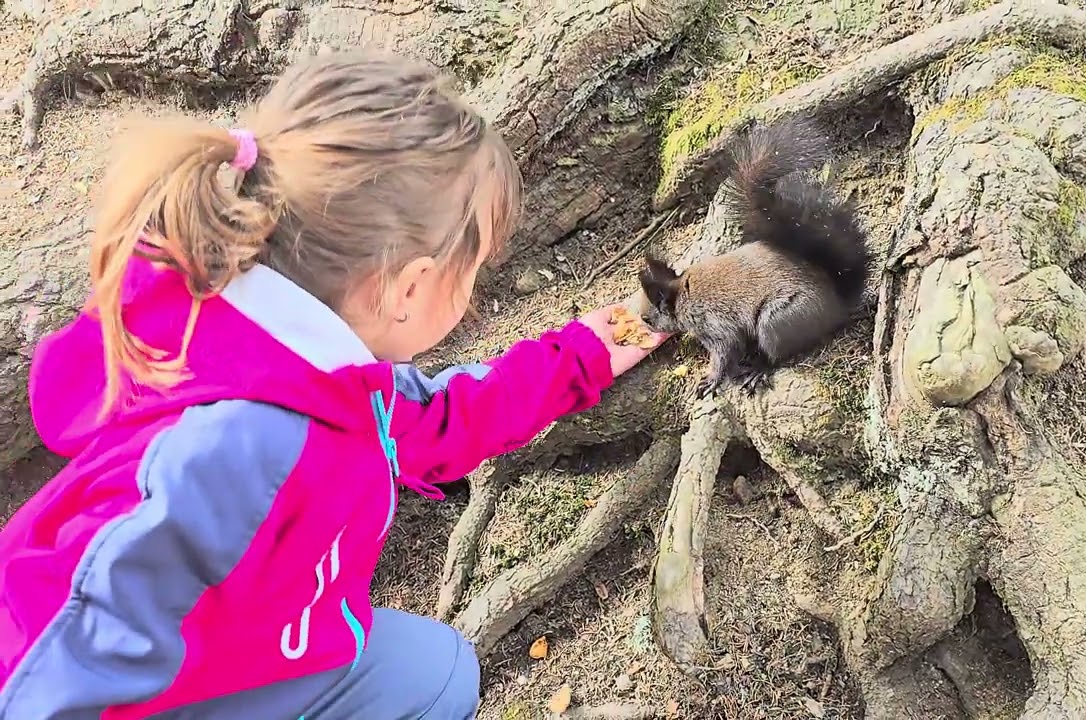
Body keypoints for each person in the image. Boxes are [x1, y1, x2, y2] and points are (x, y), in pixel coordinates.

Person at [0, 52, 666, 720]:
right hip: (126, 694)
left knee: (438, 673)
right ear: (410, 287)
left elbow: (436, 418)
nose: (476, 288)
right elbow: (68, 650)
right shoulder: (240, 446)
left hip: (245, 649)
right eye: (476, 270)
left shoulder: (312, 363)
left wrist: (597, 348)